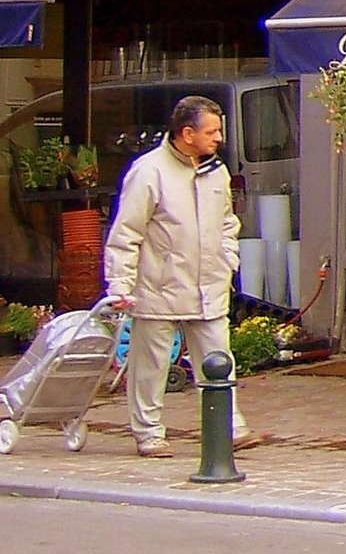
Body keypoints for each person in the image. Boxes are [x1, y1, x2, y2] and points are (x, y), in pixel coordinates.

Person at [104, 95, 262, 458]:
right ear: (187, 133)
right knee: (151, 366)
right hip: (159, 287)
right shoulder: (149, 172)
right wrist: (120, 285)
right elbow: (126, 233)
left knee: (219, 359)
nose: (219, 137)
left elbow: (227, 221)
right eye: (212, 131)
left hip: (209, 285)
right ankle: (148, 432)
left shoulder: (216, 172)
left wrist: (228, 258)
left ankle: (229, 426)